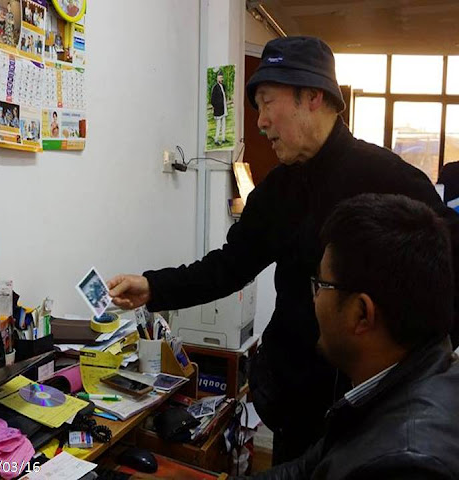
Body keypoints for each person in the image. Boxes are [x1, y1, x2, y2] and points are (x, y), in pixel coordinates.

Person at [108, 36, 459, 465]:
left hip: (373, 415)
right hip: (295, 406)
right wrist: (153, 286)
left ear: (312, 97)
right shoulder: (278, 190)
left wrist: (411, 385)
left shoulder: (391, 180)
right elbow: (229, 265)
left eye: (267, 103)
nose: (260, 123)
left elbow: (448, 281)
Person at [239, 194, 459, 479]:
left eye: (321, 285)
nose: (315, 298)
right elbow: (304, 471)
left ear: (362, 313)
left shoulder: (406, 465)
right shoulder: (397, 381)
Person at [211, 71, 227, 145]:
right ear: (217, 78)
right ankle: (216, 140)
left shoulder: (223, 86)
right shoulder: (215, 87)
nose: (221, 79)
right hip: (218, 110)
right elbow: (212, 100)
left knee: (224, 124)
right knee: (218, 125)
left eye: (222, 77)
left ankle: (223, 139)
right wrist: (216, 107)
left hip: (223, 108)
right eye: (220, 77)